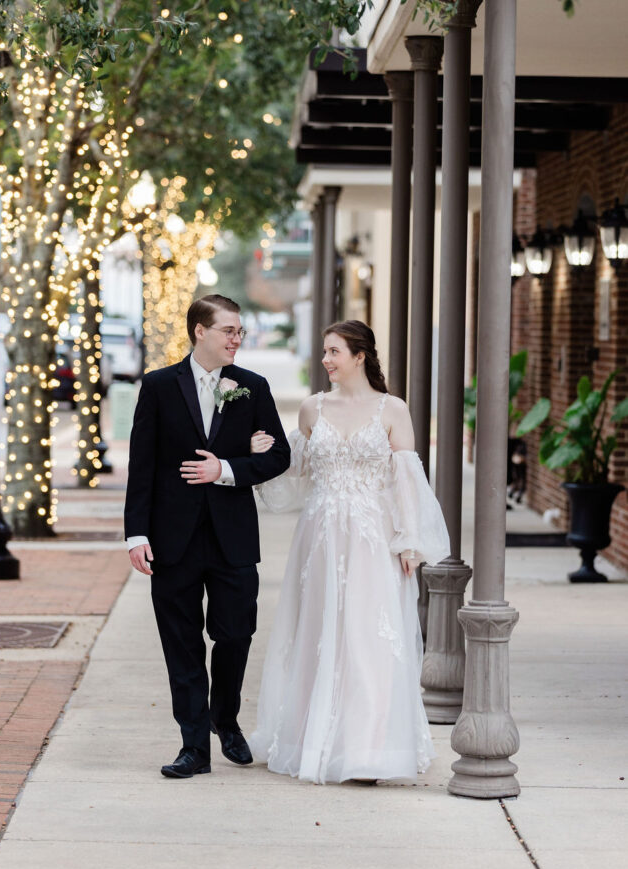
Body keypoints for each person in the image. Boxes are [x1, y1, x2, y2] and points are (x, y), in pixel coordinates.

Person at [249, 320, 451, 784]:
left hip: (371, 539)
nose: (326, 360)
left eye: (334, 352)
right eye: (324, 351)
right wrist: (263, 453)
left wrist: (408, 541)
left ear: (360, 355)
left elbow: (406, 482)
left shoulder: (392, 409)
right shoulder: (311, 409)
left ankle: (368, 749)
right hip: (319, 539)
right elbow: (295, 471)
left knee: (369, 640)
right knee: (319, 635)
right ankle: (313, 741)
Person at [124, 294, 290, 779]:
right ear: (200, 331)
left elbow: (279, 456)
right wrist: (136, 533)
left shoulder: (252, 387)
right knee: (181, 643)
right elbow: (143, 465)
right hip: (171, 538)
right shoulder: (157, 386)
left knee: (236, 633)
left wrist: (228, 468)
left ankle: (226, 719)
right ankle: (193, 747)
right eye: (229, 331)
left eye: (239, 331)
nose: (237, 338)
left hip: (232, 537)